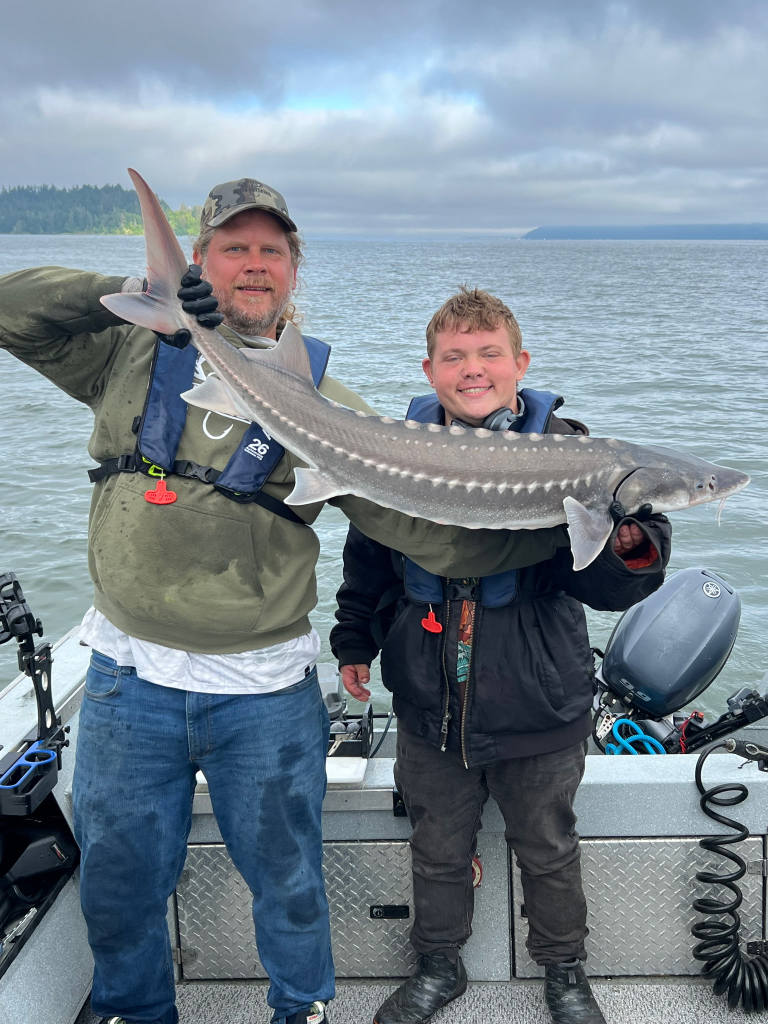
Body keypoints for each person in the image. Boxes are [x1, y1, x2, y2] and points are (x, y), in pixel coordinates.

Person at [0, 187, 568, 1024]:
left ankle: (300, 1010)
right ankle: (134, 1011)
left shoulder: (325, 396)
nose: (254, 265)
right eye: (234, 248)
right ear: (200, 260)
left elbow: (426, 534)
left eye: (273, 251)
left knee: (289, 880)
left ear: (294, 270)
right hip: (128, 675)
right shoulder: (130, 347)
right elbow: (11, 313)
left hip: (262, 687)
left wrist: (562, 531)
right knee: (119, 879)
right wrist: (122, 290)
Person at [330, 287, 672, 1024]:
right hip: (429, 702)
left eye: (490, 354)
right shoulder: (395, 449)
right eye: (454, 357)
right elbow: (369, 559)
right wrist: (354, 640)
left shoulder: (581, 451)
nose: (473, 369)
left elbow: (614, 588)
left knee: (548, 848)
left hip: (537, 701)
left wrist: (628, 541)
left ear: (521, 364)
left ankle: (565, 972)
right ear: (429, 371)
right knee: (436, 847)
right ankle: (437, 965)